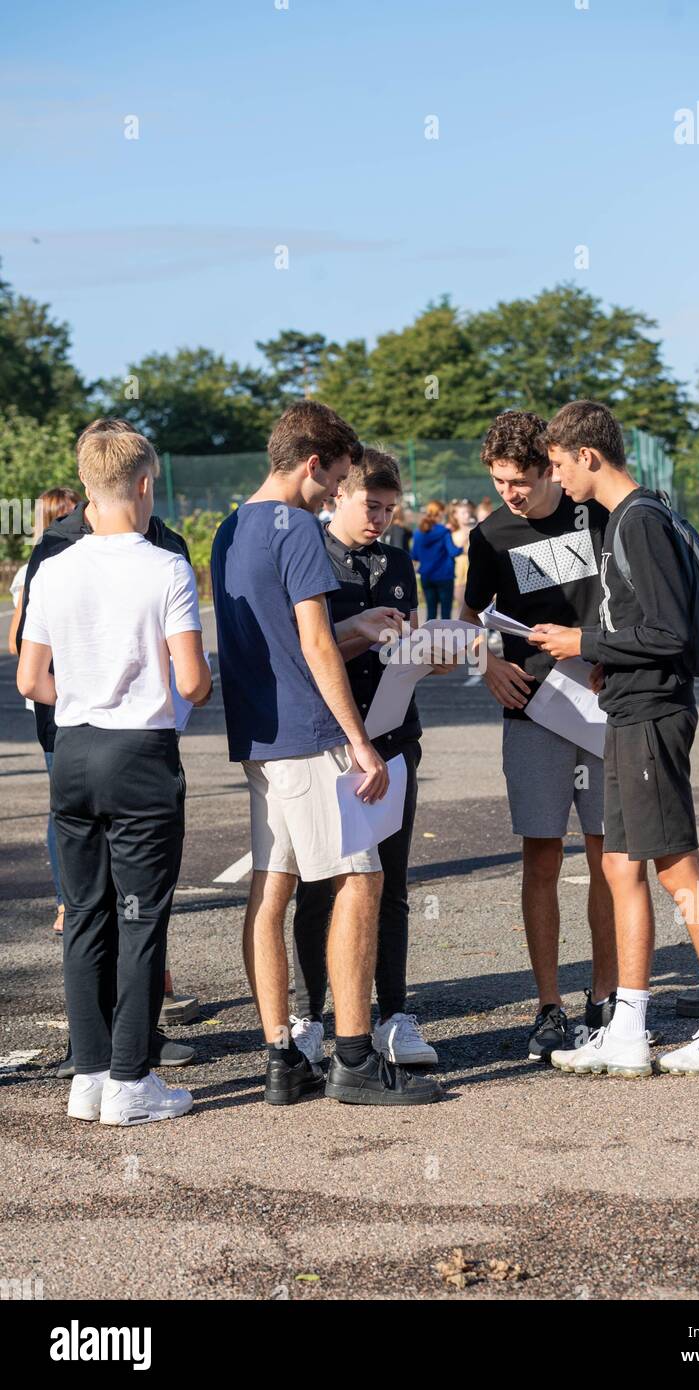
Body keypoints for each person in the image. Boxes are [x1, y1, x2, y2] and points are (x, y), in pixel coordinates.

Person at [210, 401, 442, 1107]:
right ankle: (353, 1059)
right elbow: (315, 643)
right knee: (360, 881)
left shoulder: (227, 529)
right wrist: (361, 742)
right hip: (311, 736)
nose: (335, 492)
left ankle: (282, 1054)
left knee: (271, 889)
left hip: (257, 737)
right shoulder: (299, 529)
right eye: (336, 478)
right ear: (314, 466)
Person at [529, 399, 699, 1078]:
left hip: (654, 714)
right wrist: (605, 661)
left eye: (559, 463)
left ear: (588, 456)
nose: (557, 477)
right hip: (631, 709)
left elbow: (669, 636)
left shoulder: (639, 521)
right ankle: (627, 1025)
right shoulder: (625, 521)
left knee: (677, 867)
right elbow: (647, 631)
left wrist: (584, 641)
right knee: (621, 865)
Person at [17, 429, 212, 1125]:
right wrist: (188, 686)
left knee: (87, 915)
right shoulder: (164, 566)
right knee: (141, 918)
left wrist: (86, 691)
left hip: (72, 750)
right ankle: (132, 1078)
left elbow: (28, 677)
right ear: (145, 485)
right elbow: (190, 679)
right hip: (140, 755)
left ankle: (90, 1074)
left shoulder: (53, 567)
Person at [459, 410, 617, 1061]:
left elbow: (628, 602)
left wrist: (613, 654)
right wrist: (487, 661)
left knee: (612, 858)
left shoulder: (596, 516)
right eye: (499, 481)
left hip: (604, 703)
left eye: (520, 480)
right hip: (534, 711)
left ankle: (607, 996)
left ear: (552, 467)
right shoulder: (490, 534)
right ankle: (549, 1005)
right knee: (542, 858)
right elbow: (469, 614)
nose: (511, 494)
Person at [291, 447, 437, 1066]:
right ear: (338, 497)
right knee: (323, 884)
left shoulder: (399, 560)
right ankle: (310, 1016)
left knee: (393, 884)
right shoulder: (309, 556)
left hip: (396, 738)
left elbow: (403, 636)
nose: (380, 517)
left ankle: (395, 1016)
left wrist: (430, 650)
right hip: (331, 743)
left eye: (389, 508)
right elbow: (306, 658)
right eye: (370, 505)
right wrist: (359, 634)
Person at [9, 486, 82, 937]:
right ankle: (64, 903)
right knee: (65, 807)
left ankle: (77, 904)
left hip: (59, 695)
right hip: (54, 698)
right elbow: (17, 641)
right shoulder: (39, 566)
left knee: (70, 806)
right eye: (63, 516)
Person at [411, 501, 462, 618]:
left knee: (431, 612)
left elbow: (414, 555)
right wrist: (462, 547)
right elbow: (453, 552)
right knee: (445, 613)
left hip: (426, 576)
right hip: (444, 576)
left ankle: (430, 636)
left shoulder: (418, 532)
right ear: (439, 513)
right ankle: (445, 637)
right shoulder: (444, 531)